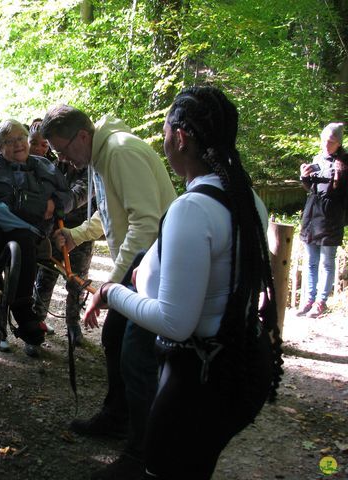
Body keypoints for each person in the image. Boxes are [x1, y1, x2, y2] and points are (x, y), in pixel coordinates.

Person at [84, 86, 284, 479]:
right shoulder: (245, 197)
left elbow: (176, 322)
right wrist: (148, 276)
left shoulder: (191, 209)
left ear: (180, 136)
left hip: (199, 378)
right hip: (239, 361)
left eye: (164, 133)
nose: (162, 142)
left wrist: (112, 292)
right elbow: (215, 278)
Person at [40, 105, 175, 469]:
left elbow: (144, 224)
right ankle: (118, 417)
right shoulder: (102, 155)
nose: (63, 158)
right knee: (115, 339)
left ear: (82, 136)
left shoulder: (120, 152)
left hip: (156, 270)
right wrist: (77, 234)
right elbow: (112, 212)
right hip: (142, 267)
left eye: (63, 149)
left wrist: (109, 286)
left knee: (137, 357)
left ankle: (143, 452)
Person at [0, 119, 74, 357]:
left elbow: (67, 196)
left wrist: (55, 203)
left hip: (28, 229)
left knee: (25, 241)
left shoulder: (43, 166)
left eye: (21, 138)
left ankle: (23, 310)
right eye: (10, 141)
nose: (19, 144)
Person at [31, 119, 93, 343]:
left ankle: (73, 324)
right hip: (52, 231)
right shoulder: (53, 165)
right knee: (45, 277)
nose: (62, 155)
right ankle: (37, 322)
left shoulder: (89, 166)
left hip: (79, 232)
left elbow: (80, 193)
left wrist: (56, 203)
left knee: (76, 281)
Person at [298, 122, 348, 318]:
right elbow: (310, 188)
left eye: (332, 141)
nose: (327, 144)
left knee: (327, 262)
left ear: (339, 143)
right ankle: (310, 300)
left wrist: (340, 175)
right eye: (325, 140)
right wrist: (304, 177)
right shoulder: (317, 159)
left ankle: (321, 302)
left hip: (332, 217)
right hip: (312, 215)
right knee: (311, 261)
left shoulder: (345, 163)